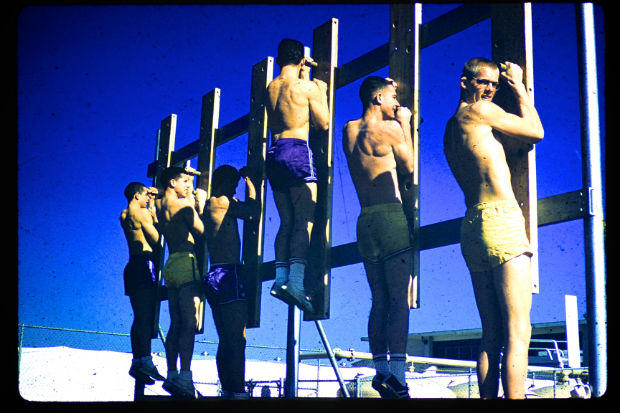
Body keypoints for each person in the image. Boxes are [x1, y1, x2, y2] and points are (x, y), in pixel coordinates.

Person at [443, 57, 544, 399]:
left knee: (491, 333)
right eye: (483, 82)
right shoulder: (481, 113)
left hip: (472, 224)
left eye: (495, 86)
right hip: (499, 217)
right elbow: (535, 131)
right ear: (464, 82)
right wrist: (518, 86)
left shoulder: (451, 127)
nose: (489, 90)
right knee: (518, 330)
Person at [342, 76, 415, 399]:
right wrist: (406, 122)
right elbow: (409, 166)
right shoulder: (392, 128)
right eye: (392, 97)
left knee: (379, 300)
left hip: (365, 219)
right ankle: (397, 376)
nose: (396, 103)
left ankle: (381, 370)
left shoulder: (349, 129)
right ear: (377, 98)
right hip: (390, 216)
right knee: (400, 299)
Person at [265, 38, 330, 313]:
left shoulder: (271, 87)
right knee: (305, 220)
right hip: (297, 150)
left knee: (286, 220)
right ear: (302, 59)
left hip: (275, 151)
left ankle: (280, 279)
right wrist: (321, 90)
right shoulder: (307, 87)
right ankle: (295, 282)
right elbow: (323, 122)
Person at [203, 165, 257, 399]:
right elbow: (254, 210)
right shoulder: (224, 201)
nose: (235, 190)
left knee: (225, 339)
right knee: (237, 339)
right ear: (224, 183)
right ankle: (236, 389)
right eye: (232, 185)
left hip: (214, 272)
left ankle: (228, 389)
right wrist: (250, 183)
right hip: (228, 273)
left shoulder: (207, 204)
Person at [155, 166, 207, 399]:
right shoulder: (184, 206)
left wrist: (186, 178)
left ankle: (172, 373)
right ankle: (186, 375)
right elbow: (203, 230)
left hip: (171, 264)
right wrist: (200, 204)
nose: (188, 186)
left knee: (175, 323)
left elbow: (161, 189)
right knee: (189, 323)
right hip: (187, 261)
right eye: (184, 181)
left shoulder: (158, 204)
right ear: (171, 182)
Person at [120, 182, 166, 384]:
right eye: (146, 195)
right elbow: (158, 240)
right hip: (145, 264)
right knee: (146, 316)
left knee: (138, 316)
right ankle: (145, 359)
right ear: (137, 195)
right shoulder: (143, 214)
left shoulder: (124, 214)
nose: (148, 198)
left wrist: (152, 201)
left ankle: (137, 360)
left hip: (132, 265)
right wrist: (156, 212)